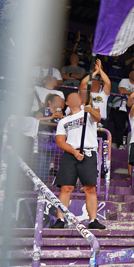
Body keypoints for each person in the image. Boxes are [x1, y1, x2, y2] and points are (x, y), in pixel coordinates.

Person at [50, 92, 105, 230]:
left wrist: (90, 110)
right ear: (67, 102)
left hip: (88, 152)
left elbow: (97, 117)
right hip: (71, 153)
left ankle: (93, 220)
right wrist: (74, 152)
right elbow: (60, 141)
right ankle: (60, 219)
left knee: (89, 188)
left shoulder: (88, 113)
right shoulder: (63, 121)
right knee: (66, 187)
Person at [115, 69, 134, 148]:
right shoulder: (124, 81)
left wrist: (129, 92)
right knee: (119, 126)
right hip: (121, 106)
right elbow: (121, 91)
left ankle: (126, 137)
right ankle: (120, 144)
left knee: (133, 125)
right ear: (130, 75)